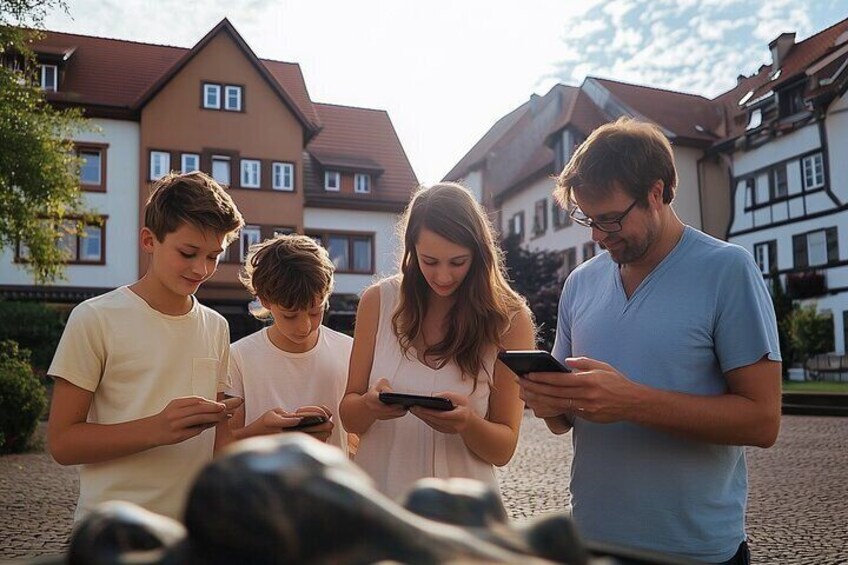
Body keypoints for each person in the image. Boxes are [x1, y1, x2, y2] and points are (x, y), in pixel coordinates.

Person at [517, 118, 782, 564]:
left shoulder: (727, 270)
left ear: (656, 193)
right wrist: (548, 401)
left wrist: (631, 402)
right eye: (588, 219)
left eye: (611, 219)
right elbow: (566, 420)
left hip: (696, 551)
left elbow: (762, 421)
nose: (598, 236)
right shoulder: (580, 284)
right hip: (592, 542)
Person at [47, 171, 245, 522]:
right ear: (149, 240)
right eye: (188, 252)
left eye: (214, 256)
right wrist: (156, 428)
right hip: (112, 534)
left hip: (192, 534)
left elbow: (218, 444)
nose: (201, 269)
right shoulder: (94, 318)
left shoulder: (217, 326)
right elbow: (62, 443)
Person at [340, 182, 535, 500]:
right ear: (411, 250)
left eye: (457, 262)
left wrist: (468, 423)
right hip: (380, 503)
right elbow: (349, 415)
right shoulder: (378, 301)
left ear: (479, 254)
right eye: (429, 261)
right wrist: (370, 406)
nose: (443, 276)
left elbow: (504, 449)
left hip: (463, 512)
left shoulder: (510, 319)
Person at [225, 234, 350, 452]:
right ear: (265, 301)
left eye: (315, 312)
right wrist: (260, 430)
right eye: (289, 315)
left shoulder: (350, 350)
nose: (304, 327)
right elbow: (222, 446)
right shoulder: (238, 357)